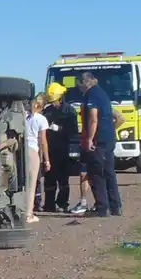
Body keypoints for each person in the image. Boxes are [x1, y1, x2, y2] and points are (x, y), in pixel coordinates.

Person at [78, 71, 122, 217]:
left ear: (86, 82)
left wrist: (90, 138)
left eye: (79, 83)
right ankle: (115, 206)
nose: (77, 86)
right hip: (108, 139)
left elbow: (93, 119)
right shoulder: (102, 94)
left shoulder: (92, 96)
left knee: (97, 174)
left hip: (99, 141)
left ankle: (103, 208)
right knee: (109, 173)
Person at [41, 82, 77, 212]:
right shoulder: (48, 111)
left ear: (61, 97)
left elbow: (73, 130)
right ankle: (49, 204)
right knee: (49, 179)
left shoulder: (70, 111)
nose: (54, 103)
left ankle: (62, 203)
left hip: (63, 148)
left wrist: (60, 128)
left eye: (55, 101)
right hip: (50, 149)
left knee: (63, 179)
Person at [23, 94, 50, 223]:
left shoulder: (24, 116)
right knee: (32, 182)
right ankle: (29, 213)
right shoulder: (41, 119)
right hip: (33, 150)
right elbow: (43, 141)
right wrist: (47, 159)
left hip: (21, 149)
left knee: (22, 182)